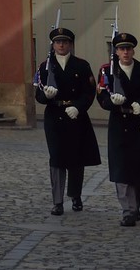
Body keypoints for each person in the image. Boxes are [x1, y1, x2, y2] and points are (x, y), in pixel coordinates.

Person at [33, 26, 101, 215]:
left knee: (76, 158)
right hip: (55, 115)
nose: (61, 45)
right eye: (57, 42)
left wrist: (78, 107)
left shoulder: (81, 65)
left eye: (65, 42)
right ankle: (57, 201)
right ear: (53, 45)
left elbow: (89, 92)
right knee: (56, 158)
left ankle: (75, 195)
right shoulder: (45, 66)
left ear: (71, 44)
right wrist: (46, 95)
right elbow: (38, 94)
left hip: (75, 115)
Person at [99, 32, 140, 227]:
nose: (125, 52)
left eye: (128, 48)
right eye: (121, 49)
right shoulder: (108, 72)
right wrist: (111, 102)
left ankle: (136, 206)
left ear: (133, 50)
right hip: (119, 124)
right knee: (122, 169)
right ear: (116, 51)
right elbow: (101, 97)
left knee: (138, 170)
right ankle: (128, 211)